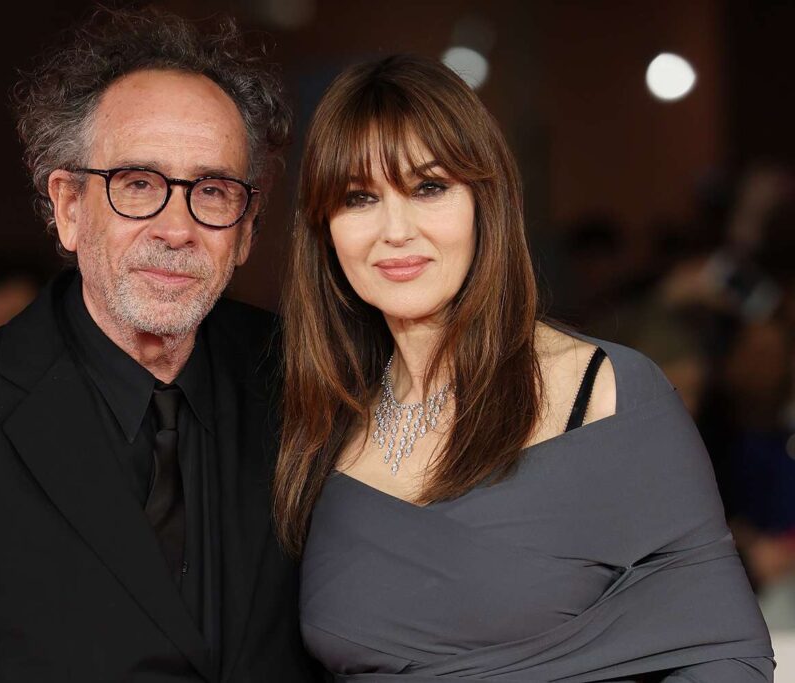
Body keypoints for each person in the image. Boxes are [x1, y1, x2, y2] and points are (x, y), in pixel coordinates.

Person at [0, 7, 320, 682]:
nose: (177, 228)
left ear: (245, 229)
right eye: (138, 185)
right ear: (69, 207)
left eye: (212, 191)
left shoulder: (303, 378)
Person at [274, 54, 775, 681]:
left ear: (487, 201)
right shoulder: (322, 422)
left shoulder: (609, 394)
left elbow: (723, 655)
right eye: (359, 198)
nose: (394, 230)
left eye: (428, 187)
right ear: (325, 229)